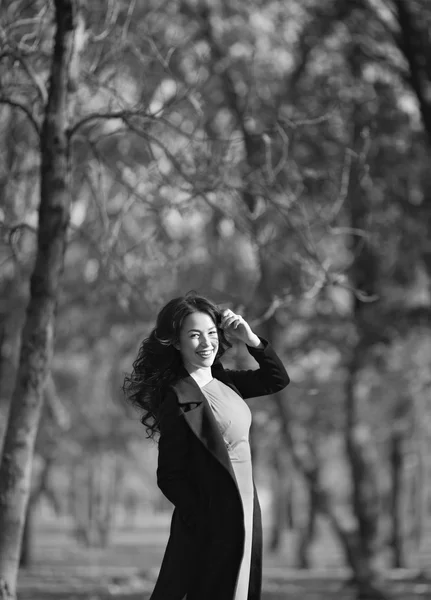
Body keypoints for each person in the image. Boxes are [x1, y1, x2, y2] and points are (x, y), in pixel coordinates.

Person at [123, 292, 290, 600]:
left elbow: (276, 380)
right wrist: (206, 516)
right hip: (212, 520)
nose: (206, 343)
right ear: (176, 342)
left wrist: (250, 339)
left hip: (245, 508)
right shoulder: (178, 396)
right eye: (195, 335)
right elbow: (170, 474)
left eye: (211, 333)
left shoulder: (224, 381)